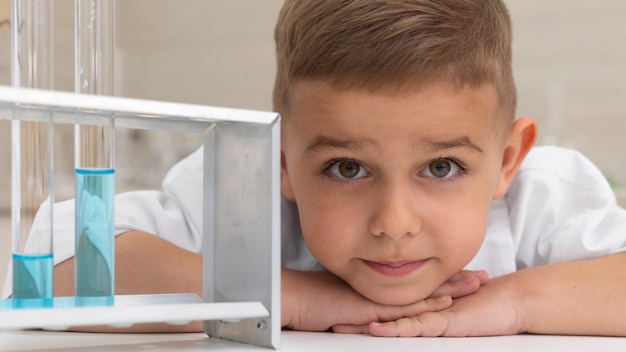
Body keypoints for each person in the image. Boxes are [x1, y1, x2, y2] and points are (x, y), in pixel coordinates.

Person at [4, 0, 626, 336]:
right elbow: (54, 263)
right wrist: (288, 297)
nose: (393, 223)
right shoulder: (239, 196)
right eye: (347, 169)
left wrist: (514, 305)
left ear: (508, 161)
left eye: (441, 166)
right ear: (278, 161)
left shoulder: (543, 196)